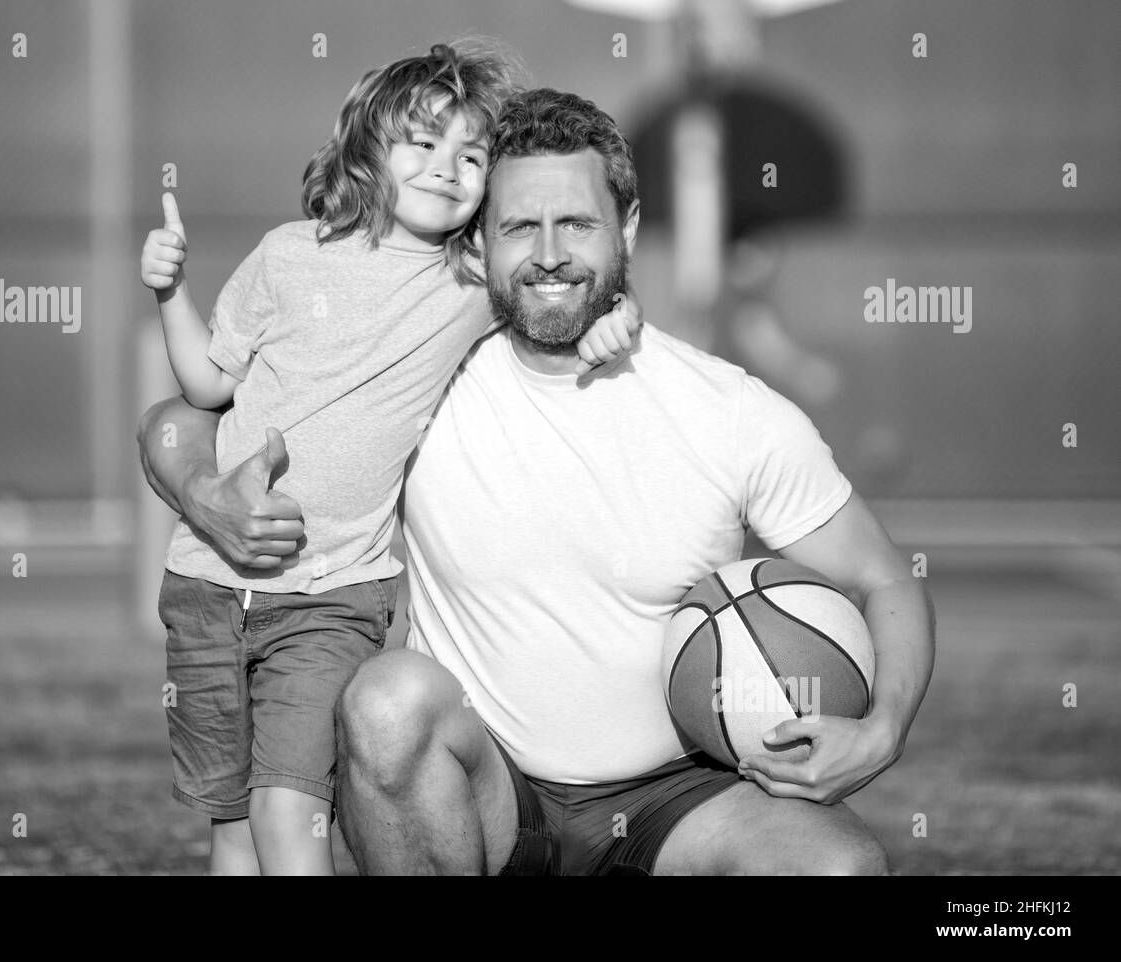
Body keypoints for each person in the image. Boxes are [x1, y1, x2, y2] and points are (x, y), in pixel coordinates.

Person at [139, 88, 935, 876]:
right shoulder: (424, 373)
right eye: (521, 225)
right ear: (479, 245)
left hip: (686, 794)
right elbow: (177, 421)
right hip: (489, 791)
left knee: (836, 869)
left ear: (624, 227)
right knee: (387, 703)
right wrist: (207, 495)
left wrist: (883, 727)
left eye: (577, 223)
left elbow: (884, 578)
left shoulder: (731, 412)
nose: (550, 252)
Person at [136, 45, 642, 876]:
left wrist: (616, 314)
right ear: (368, 148)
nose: (448, 169)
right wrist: (169, 291)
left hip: (331, 598)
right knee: (229, 827)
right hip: (203, 589)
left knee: (287, 810)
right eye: (423, 143)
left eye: (471, 156)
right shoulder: (287, 253)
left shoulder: (471, 280)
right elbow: (202, 381)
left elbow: (563, 282)